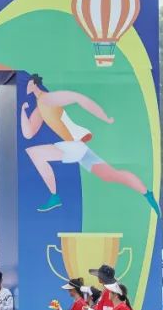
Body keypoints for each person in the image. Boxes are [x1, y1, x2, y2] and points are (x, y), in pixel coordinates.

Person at [21, 73, 160, 215]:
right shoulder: (40, 107)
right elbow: (28, 133)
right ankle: (147, 194)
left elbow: (78, 98)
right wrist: (22, 111)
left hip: (74, 145)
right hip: (76, 148)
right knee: (110, 175)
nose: (26, 85)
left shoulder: (49, 98)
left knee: (35, 153)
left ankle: (54, 196)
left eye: (28, 83)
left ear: (34, 83)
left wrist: (105, 117)